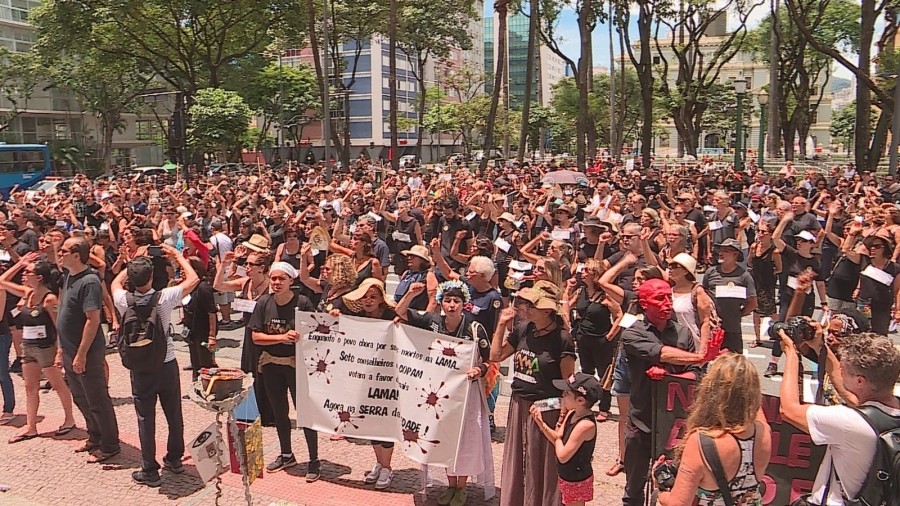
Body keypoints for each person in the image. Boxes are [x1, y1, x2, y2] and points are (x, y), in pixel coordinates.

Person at [397, 279, 495, 505]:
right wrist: (411, 294)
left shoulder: (474, 327)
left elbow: (490, 360)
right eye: (448, 301)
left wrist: (479, 369)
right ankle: (450, 485)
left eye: (457, 301)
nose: (452, 305)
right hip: (437, 395)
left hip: (466, 395)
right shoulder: (431, 320)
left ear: (464, 304)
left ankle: (462, 486)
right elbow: (400, 312)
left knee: (465, 440)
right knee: (442, 436)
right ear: (441, 302)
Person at [778, 326, 900, 505]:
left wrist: (791, 354)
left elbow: (788, 410)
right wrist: (821, 348)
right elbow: (853, 396)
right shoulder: (885, 410)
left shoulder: (849, 421)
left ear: (860, 381)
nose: (840, 371)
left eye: (844, 369)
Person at [620, 278, 714, 506]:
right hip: (642, 420)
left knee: (672, 483)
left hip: (675, 424)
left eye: (669, 298)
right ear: (644, 304)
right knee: (634, 486)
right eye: (659, 299)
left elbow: (696, 375)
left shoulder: (683, 333)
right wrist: (701, 357)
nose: (667, 304)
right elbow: (660, 353)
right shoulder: (632, 333)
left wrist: (671, 378)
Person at [111, 248, 199, 486]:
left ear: (131, 278)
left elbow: (114, 283)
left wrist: (129, 262)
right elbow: (194, 279)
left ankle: (149, 469)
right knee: (174, 414)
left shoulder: (123, 300)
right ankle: (175, 458)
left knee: (145, 418)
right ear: (151, 277)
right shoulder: (164, 298)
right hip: (166, 362)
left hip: (139, 367)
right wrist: (177, 256)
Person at [490, 281, 576, 506]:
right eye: (526, 304)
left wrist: (561, 417)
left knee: (542, 465)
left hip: (546, 407)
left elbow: (567, 383)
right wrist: (501, 326)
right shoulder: (523, 329)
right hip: (519, 403)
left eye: (532, 305)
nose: (525, 309)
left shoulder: (562, 339)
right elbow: (496, 356)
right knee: (517, 460)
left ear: (548, 310)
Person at [654, 353, 772, 506]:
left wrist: (659, 491)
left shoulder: (701, 442)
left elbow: (678, 504)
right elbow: (755, 407)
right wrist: (744, 380)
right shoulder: (763, 433)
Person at [249, 262, 320, 481]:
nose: (277, 283)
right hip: (271, 365)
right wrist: (282, 337)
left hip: (296, 366)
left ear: (291, 281)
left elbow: (318, 329)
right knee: (280, 412)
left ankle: (314, 459)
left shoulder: (303, 302)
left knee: (305, 414)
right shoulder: (263, 303)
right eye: (274, 278)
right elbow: (256, 336)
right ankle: (286, 453)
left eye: (282, 279)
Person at [57, 236, 120, 463]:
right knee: (80, 397)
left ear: (76, 255)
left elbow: (92, 320)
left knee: (97, 399)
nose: (59, 252)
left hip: (86, 354)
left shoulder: (89, 281)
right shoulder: (68, 276)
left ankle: (110, 444)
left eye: (64, 250)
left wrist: (81, 354)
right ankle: (95, 435)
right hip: (68, 350)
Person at [1, 254, 77, 443]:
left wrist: (60, 350)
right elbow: (1, 281)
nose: (24, 275)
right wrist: (20, 264)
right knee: (30, 387)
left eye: (28, 272)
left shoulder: (50, 299)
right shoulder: (28, 293)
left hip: (46, 347)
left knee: (58, 384)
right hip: (28, 346)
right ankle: (31, 426)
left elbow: (59, 324)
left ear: (40, 277)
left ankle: (69, 419)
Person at [335, 278, 399, 491]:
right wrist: (335, 318)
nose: (368, 301)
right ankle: (379, 463)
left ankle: (388, 467)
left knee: (385, 422)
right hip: (364, 377)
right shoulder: (358, 317)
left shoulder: (392, 317)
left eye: (373, 296)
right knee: (370, 420)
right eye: (364, 297)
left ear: (381, 299)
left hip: (389, 378)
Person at [529, 373, 599, 506]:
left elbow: (562, 455)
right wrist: (541, 423)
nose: (563, 396)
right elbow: (557, 436)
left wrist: (557, 440)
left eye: (567, 393)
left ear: (580, 400)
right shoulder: (572, 413)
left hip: (577, 479)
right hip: (565, 475)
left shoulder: (585, 425)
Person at [702, 238, 757, 353]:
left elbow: (752, 303)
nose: (721, 253)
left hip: (732, 328)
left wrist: (738, 314)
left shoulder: (744, 276)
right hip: (712, 327)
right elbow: (703, 296)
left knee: (733, 362)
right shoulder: (711, 272)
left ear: (735, 254)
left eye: (726, 251)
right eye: (721, 250)